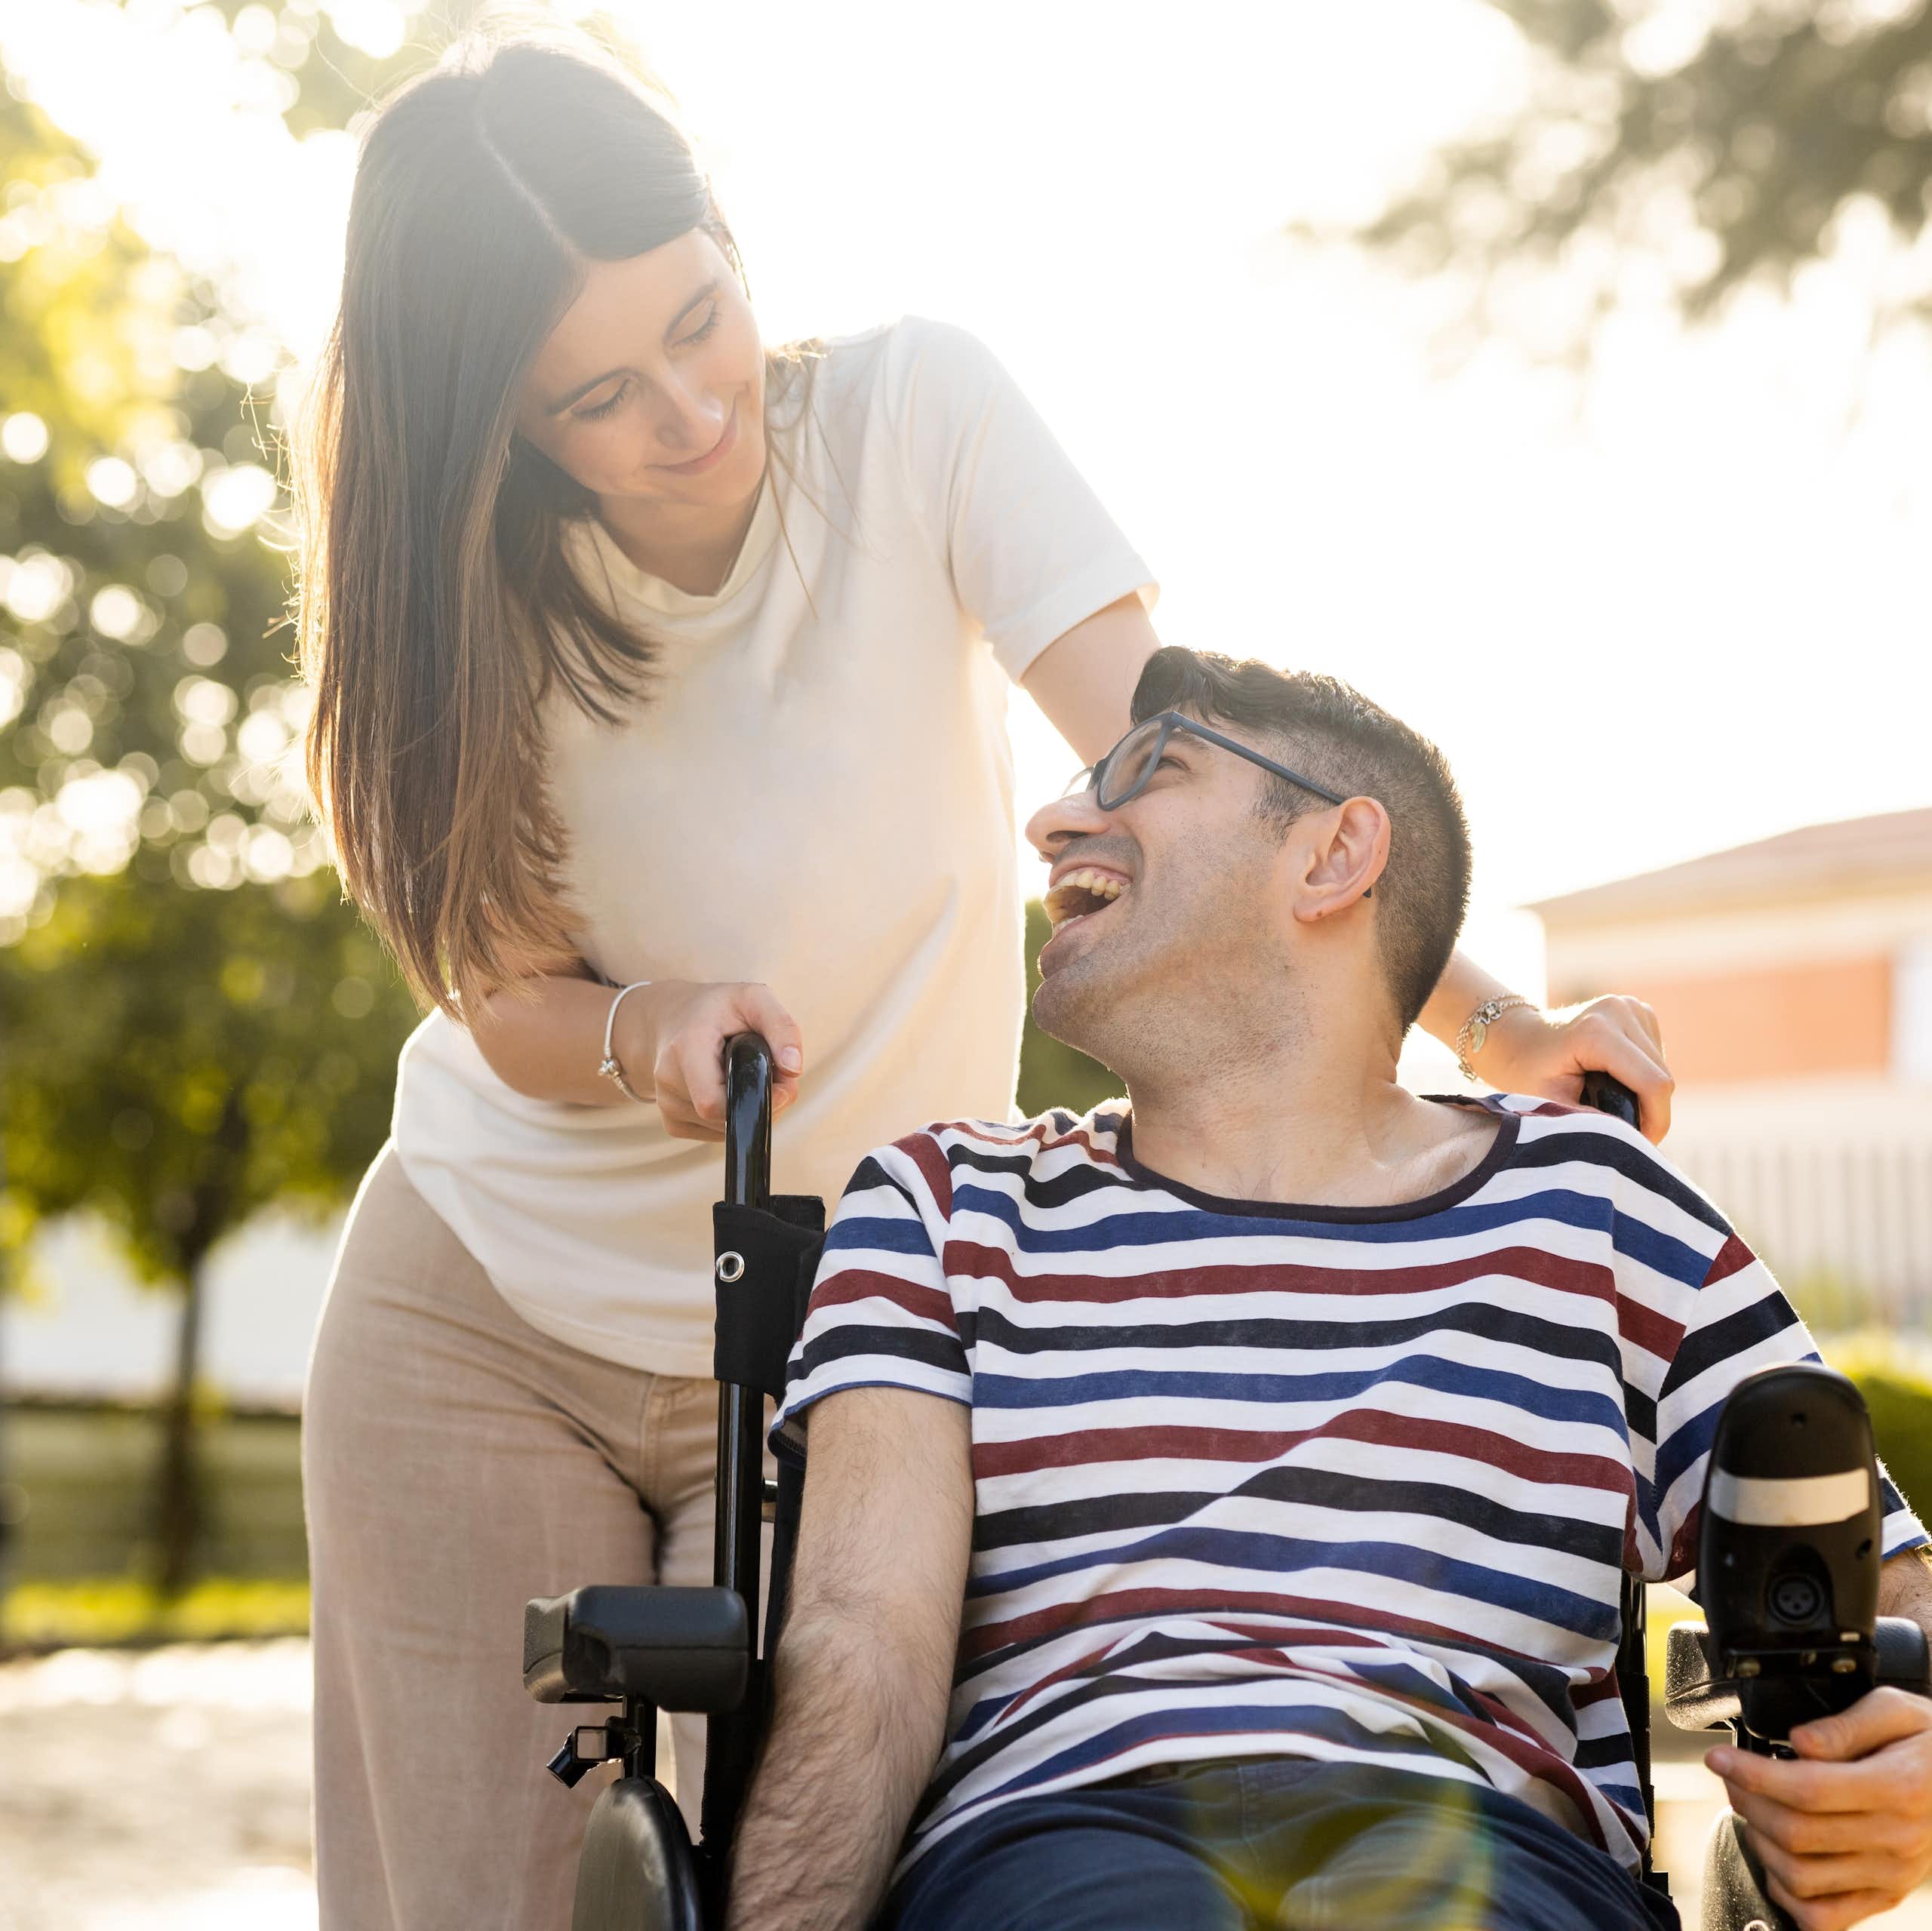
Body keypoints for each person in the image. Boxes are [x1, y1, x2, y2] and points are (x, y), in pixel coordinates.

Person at [293, 27, 1678, 1931]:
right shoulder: (459, 591)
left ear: (727, 231)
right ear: (498, 426)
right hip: (477, 1313)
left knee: (794, 1859)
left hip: (827, 1328)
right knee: (479, 1901)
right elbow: (492, 985)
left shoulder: (914, 414)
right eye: (598, 395)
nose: (690, 412)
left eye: (700, 318)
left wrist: (1488, 1024)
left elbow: (1182, 768)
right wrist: (639, 1028)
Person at [730, 647, 1932, 1931]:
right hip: (1068, 1830)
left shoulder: (1598, 1207)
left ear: (1334, 856)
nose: (1055, 819)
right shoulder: (942, 1204)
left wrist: (1912, 1767)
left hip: (1480, 1839)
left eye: (1154, 770)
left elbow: (1897, 1589)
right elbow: (862, 1647)